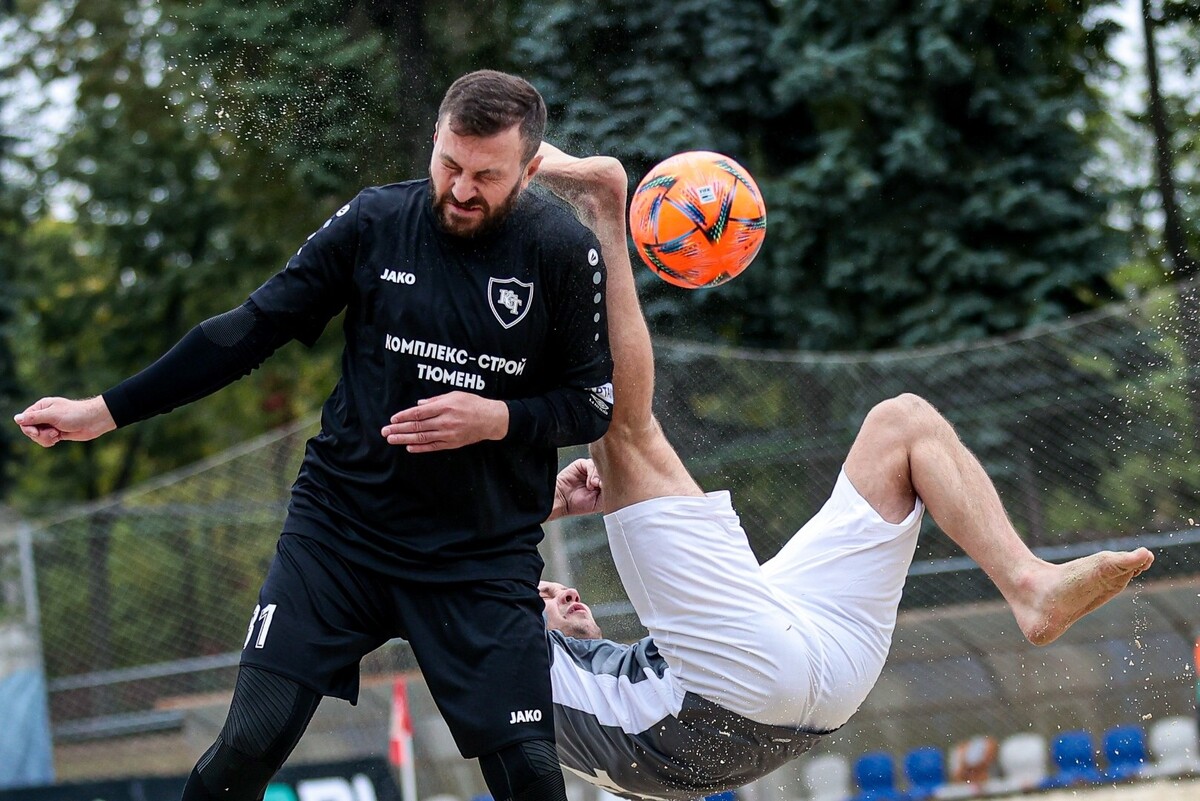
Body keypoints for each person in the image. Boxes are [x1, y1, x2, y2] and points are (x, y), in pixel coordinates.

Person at [15, 72, 613, 801]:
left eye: (486, 176)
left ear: (528, 169)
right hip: (341, 534)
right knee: (247, 743)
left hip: (476, 556)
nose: (461, 189)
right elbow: (248, 329)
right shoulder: (374, 221)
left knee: (530, 776)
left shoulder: (559, 250)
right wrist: (103, 410)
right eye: (450, 165)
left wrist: (499, 418)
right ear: (434, 139)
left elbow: (592, 402)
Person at [530, 146, 1154, 801]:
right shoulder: (498, 642)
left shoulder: (600, 671)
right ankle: (604, 203)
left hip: (819, 684)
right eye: (540, 596)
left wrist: (547, 503)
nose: (560, 591)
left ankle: (1031, 585)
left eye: (546, 586)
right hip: (729, 691)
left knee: (903, 425)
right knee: (617, 428)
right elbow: (439, 549)